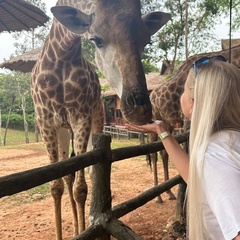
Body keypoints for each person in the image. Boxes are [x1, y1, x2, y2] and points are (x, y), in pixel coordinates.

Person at [125, 56, 240, 240]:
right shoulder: (229, 141)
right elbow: (196, 178)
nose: (181, 97)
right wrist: (161, 130)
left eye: (184, 91)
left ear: (193, 102)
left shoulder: (216, 155)